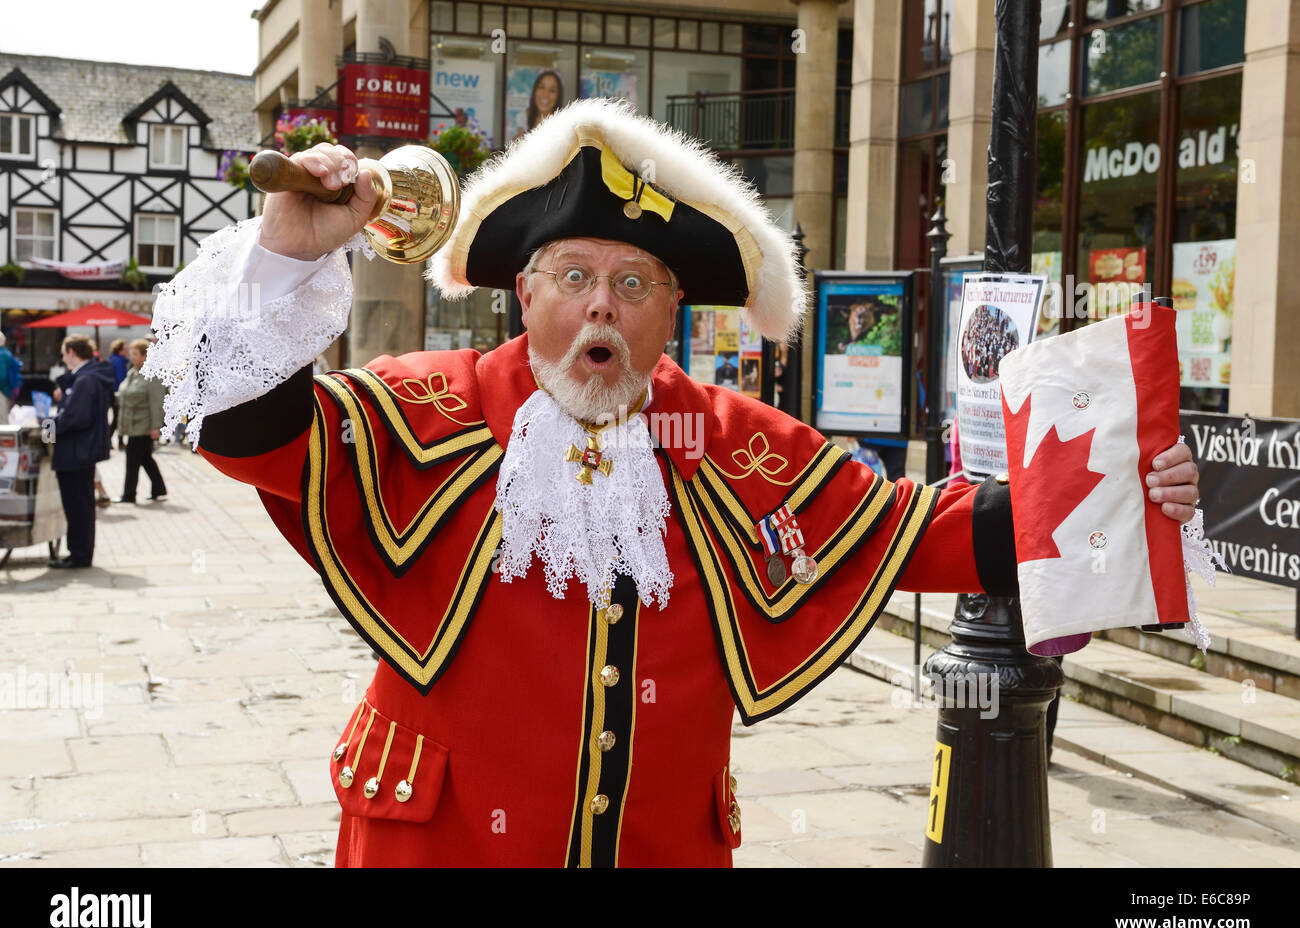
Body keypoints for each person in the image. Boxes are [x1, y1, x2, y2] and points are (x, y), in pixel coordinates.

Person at [146, 99, 1200, 866]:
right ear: (522, 291)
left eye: (634, 283)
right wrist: (288, 257)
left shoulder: (732, 441)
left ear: (672, 313)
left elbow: (920, 531)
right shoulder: (426, 407)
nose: (600, 308)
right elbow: (248, 430)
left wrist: (1120, 484)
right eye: (574, 277)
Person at [48, 335, 114, 568]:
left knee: (77, 507)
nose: (63, 357)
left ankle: (79, 555)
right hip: (79, 451)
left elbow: (76, 417)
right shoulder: (86, 378)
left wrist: (47, 428)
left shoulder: (86, 380)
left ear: (73, 352)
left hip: (76, 451)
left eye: (64, 353)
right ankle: (79, 553)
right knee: (80, 505)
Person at [114, 338, 168, 504]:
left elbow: (157, 402)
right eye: (131, 354)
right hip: (133, 424)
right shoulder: (133, 372)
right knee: (145, 459)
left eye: (135, 354)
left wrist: (156, 427)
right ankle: (159, 489)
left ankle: (128, 495)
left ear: (145, 356)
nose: (131, 357)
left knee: (133, 461)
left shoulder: (152, 375)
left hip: (143, 426)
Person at [512, 70, 563, 142]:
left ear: (558, 96)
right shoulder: (523, 118)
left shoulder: (563, 124)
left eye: (552, 90)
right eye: (541, 87)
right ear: (534, 91)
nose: (545, 94)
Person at [0, 330, 21, 422]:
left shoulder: (2, 354)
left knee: (2, 420)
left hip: (3, 390)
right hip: (7, 390)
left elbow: (2, 376)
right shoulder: (6, 353)